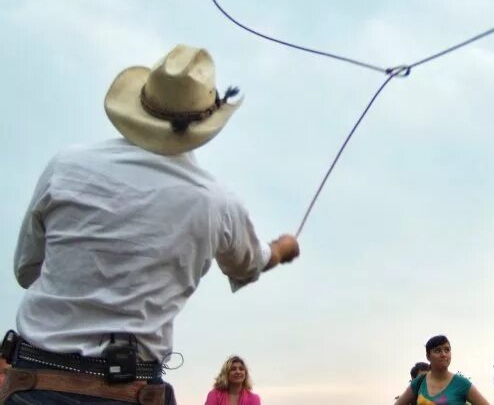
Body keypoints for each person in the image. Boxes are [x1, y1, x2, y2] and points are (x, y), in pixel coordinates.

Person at [2, 44, 300, 405]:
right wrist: (283, 249)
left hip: (35, 383)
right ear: (205, 121)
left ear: (141, 105)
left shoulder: (65, 166)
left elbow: (26, 269)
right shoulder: (217, 202)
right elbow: (251, 262)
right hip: (132, 392)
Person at [394, 335, 490, 405]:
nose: (443, 354)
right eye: (437, 350)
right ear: (428, 356)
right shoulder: (419, 381)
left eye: (447, 350)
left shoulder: (462, 384)